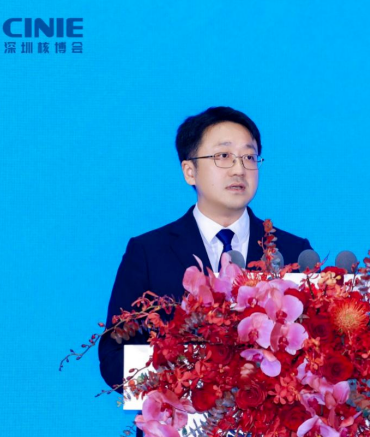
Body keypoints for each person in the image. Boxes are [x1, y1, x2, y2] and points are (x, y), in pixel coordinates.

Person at [98, 106, 313, 395]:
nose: (239, 169)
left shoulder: (294, 251)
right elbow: (113, 358)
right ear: (190, 171)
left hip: (271, 419)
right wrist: (196, 381)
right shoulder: (148, 253)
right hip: (186, 419)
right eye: (223, 156)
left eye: (249, 157)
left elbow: (318, 350)